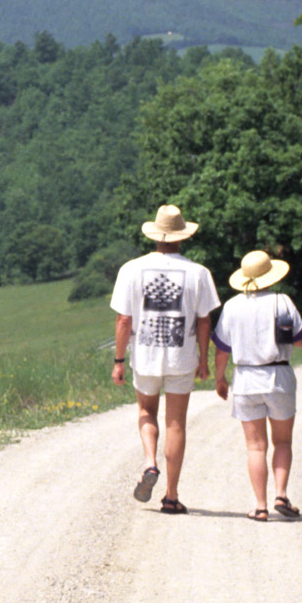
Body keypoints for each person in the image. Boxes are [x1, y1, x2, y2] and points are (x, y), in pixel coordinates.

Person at [109, 204, 220, 514]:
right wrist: (204, 359)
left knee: (146, 411)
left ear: (155, 236)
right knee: (176, 424)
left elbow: (123, 320)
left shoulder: (131, 269)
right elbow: (203, 321)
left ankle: (150, 461)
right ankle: (171, 496)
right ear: (181, 237)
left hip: (144, 355)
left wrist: (119, 360)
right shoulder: (198, 273)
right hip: (181, 357)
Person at [212, 249, 302, 521]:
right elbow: (301, 341)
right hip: (279, 377)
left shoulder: (232, 306)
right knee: (282, 441)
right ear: (271, 275)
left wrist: (220, 379)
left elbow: (221, 349)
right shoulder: (283, 302)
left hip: (245, 379)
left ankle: (260, 505)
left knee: (255, 447)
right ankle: (281, 494)